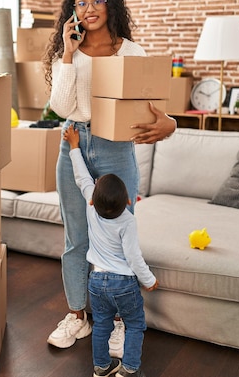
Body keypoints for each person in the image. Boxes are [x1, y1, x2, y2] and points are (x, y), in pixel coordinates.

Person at [42, 0, 176, 353]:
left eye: (97, 1)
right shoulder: (68, 53)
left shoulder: (131, 52)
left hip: (116, 148)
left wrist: (171, 124)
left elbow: (156, 111)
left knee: (118, 237)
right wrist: (69, 54)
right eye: (81, 3)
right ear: (73, 11)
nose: (90, 9)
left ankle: (118, 320)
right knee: (75, 239)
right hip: (74, 145)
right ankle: (77, 317)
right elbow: (62, 108)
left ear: (110, 5)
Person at [63, 124, 158, 377]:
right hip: (124, 284)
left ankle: (101, 367)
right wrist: (149, 281)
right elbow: (134, 258)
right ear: (128, 200)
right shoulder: (127, 220)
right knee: (135, 324)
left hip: (96, 282)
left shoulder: (90, 206)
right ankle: (128, 369)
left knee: (102, 326)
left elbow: (82, 177)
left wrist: (74, 147)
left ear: (93, 197)